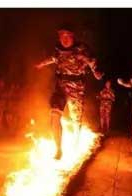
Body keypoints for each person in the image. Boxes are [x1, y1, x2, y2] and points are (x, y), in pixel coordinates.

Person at [35, 24, 103, 160]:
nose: (64, 39)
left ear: (73, 36)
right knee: (54, 114)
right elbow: (52, 58)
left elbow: (92, 62)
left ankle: (75, 145)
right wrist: (40, 64)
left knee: (76, 120)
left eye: (67, 36)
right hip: (60, 87)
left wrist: (96, 72)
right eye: (62, 36)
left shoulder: (81, 50)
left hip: (76, 89)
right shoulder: (58, 50)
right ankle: (58, 149)